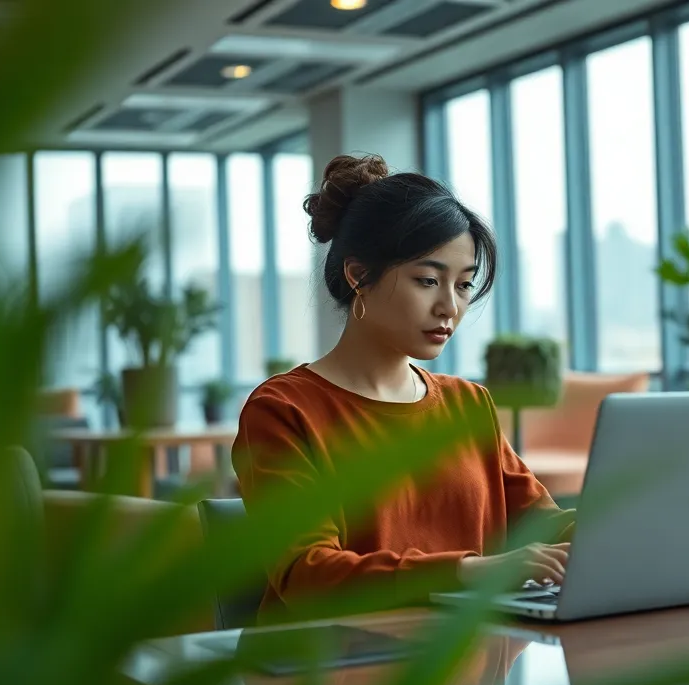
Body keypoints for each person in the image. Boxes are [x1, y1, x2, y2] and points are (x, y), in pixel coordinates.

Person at [233, 153, 572, 613]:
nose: (449, 307)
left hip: (462, 658)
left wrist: (646, 519)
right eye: (428, 280)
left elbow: (544, 526)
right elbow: (305, 573)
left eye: (465, 285)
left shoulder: (468, 404)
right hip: (331, 667)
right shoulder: (283, 409)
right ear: (358, 275)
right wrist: (472, 570)